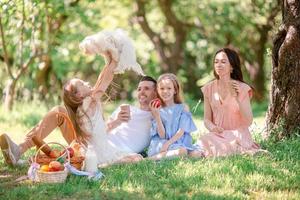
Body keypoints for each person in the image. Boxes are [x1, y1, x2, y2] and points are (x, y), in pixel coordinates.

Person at [0, 57, 157, 166]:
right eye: (82, 83)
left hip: (94, 151)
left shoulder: (88, 104)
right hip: (90, 147)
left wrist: (110, 59)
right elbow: (105, 80)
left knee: (58, 112)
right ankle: (19, 150)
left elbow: (103, 78)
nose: (87, 82)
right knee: (59, 112)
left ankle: (19, 150)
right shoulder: (91, 103)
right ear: (79, 95)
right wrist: (113, 60)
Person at [197, 48, 260, 157]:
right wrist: (213, 128)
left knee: (218, 149)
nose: (218, 65)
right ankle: (240, 151)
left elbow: (249, 121)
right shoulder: (208, 88)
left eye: (223, 61)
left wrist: (237, 98)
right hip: (218, 135)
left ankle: (243, 150)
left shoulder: (243, 88)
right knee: (202, 142)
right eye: (216, 61)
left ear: (232, 66)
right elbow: (207, 119)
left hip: (237, 135)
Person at [147, 73, 203, 160]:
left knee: (197, 154)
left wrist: (168, 143)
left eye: (169, 88)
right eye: (162, 88)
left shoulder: (183, 107)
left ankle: (172, 155)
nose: (165, 91)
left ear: (175, 90)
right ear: (158, 90)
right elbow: (162, 136)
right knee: (182, 151)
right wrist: (157, 116)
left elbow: (181, 132)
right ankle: (148, 160)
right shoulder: (157, 109)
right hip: (161, 143)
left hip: (178, 142)